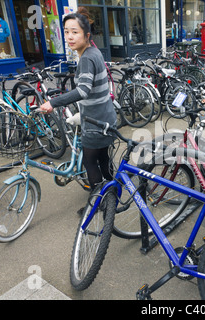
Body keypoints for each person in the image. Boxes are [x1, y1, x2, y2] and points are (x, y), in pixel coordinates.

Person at [39, 9, 117, 213]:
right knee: (103, 158)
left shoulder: (87, 58)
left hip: (96, 121)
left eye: (75, 32)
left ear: (87, 35)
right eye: (66, 32)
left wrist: (53, 103)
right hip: (105, 117)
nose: (70, 37)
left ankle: (96, 203)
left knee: (91, 161)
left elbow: (82, 90)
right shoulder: (94, 51)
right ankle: (112, 194)